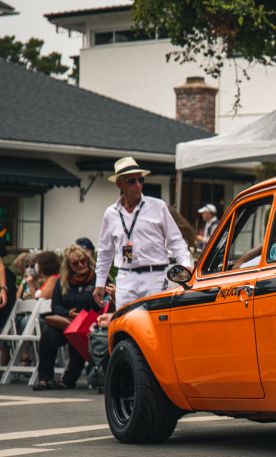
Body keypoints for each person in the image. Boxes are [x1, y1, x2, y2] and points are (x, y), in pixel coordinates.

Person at [93, 157, 192, 310]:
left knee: (155, 324)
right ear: (120, 184)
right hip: (126, 278)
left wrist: (186, 266)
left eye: (140, 180)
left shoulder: (158, 206)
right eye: (131, 181)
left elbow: (176, 241)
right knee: (125, 324)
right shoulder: (110, 213)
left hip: (156, 276)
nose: (138, 185)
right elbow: (105, 251)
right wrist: (100, 283)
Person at [33, 244, 107, 390]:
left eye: (82, 261)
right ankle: (45, 379)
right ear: (69, 265)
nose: (80, 265)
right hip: (67, 321)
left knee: (77, 336)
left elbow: (106, 303)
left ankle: (68, 380)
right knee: (48, 335)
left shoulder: (97, 279)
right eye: (75, 263)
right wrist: (68, 313)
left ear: (87, 260)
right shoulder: (62, 281)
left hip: (89, 325)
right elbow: (55, 304)